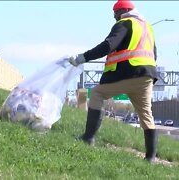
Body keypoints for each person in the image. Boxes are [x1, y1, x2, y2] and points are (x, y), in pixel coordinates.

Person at [66, 0, 158, 162]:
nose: (114, 17)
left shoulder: (124, 23)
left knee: (97, 93)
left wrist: (83, 57)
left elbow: (108, 45)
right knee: (146, 114)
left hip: (129, 72)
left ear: (123, 10)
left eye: (115, 13)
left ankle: (88, 137)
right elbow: (154, 54)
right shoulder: (147, 27)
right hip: (146, 76)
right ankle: (150, 157)